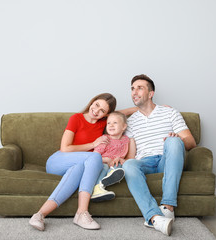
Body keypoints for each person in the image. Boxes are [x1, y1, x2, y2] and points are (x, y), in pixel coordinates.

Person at [29, 93, 136, 231]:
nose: (96, 111)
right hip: (58, 160)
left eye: (102, 110)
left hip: (78, 163)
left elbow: (125, 113)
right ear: (92, 101)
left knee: (80, 169)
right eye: (96, 105)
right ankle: (82, 212)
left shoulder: (104, 122)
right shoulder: (76, 118)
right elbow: (65, 148)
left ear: (106, 114)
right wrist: (93, 144)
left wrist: (155, 108)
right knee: (95, 157)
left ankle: (40, 215)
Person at [123, 74, 197, 236]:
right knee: (128, 164)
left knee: (173, 141)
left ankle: (168, 206)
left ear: (151, 94)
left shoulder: (170, 112)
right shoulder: (130, 121)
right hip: (145, 162)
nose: (134, 92)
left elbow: (191, 143)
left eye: (139, 88)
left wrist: (176, 140)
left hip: (167, 159)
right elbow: (131, 155)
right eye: (132, 89)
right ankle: (155, 217)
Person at [90, 111, 130, 202]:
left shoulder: (126, 140)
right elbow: (94, 156)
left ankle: (111, 176)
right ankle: (98, 188)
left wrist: (122, 160)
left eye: (115, 122)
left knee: (119, 165)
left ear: (124, 126)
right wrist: (107, 160)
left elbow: (128, 158)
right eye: (109, 123)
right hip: (103, 163)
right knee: (104, 166)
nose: (111, 125)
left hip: (115, 165)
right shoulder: (105, 139)